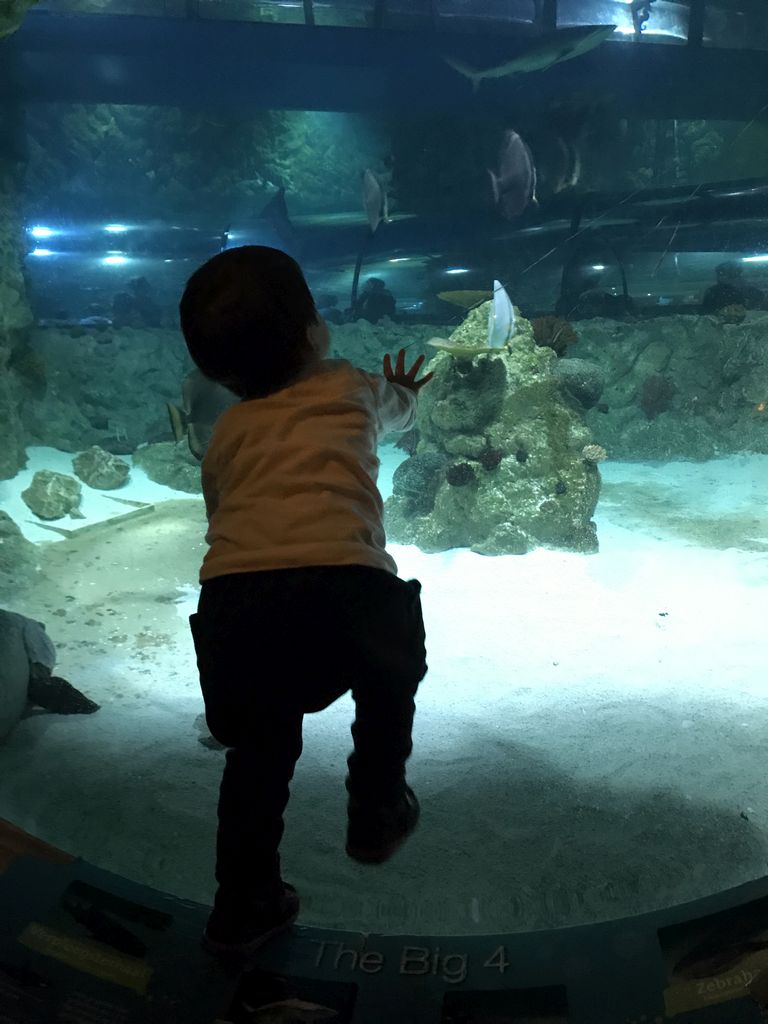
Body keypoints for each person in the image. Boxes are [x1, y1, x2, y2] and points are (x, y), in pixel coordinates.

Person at [178, 245, 432, 960]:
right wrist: (405, 391)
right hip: (346, 595)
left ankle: (243, 904)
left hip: (238, 609)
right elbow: (400, 416)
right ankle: (377, 806)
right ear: (315, 330)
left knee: (258, 757)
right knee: (390, 674)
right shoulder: (351, 386)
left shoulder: (226, 431)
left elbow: (220, 515)